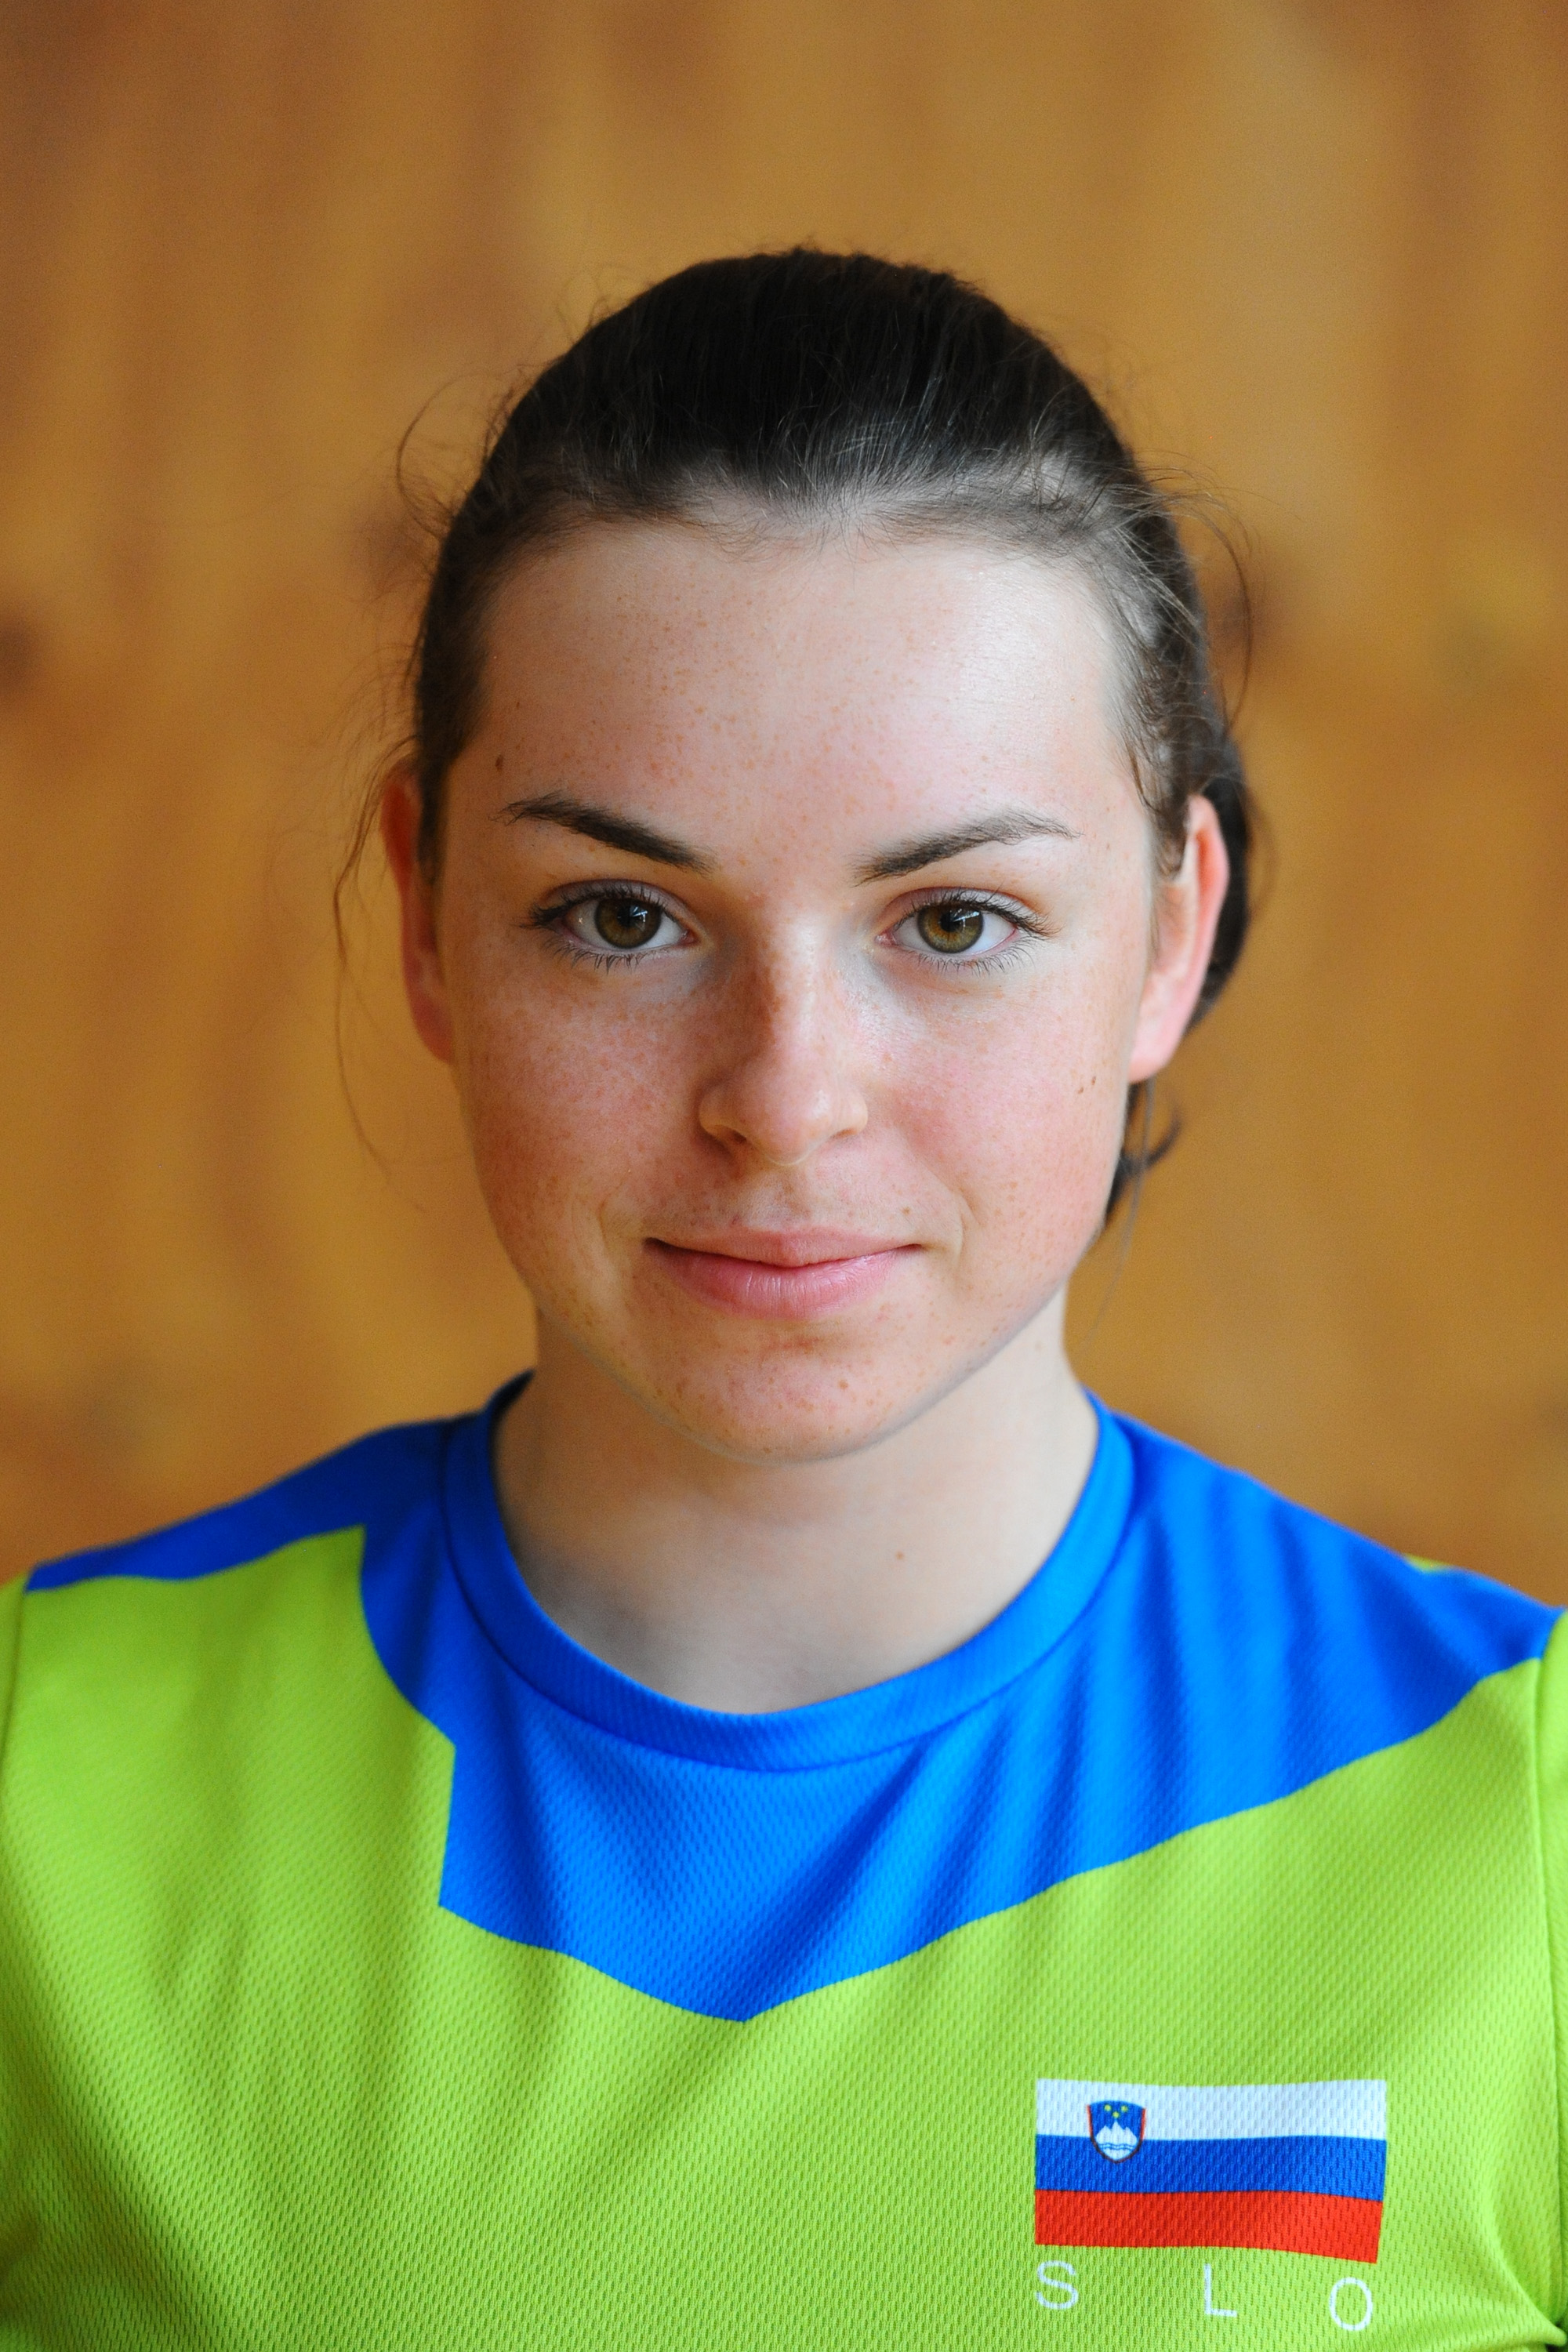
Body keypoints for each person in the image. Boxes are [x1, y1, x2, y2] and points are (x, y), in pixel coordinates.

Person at [0, 251, 1561, 2352]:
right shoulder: (45, 1782)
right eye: (620, 916)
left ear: (1170, 937)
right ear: (433, 919)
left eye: (958, 920)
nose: (783, 1097)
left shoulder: (1521, 1824)